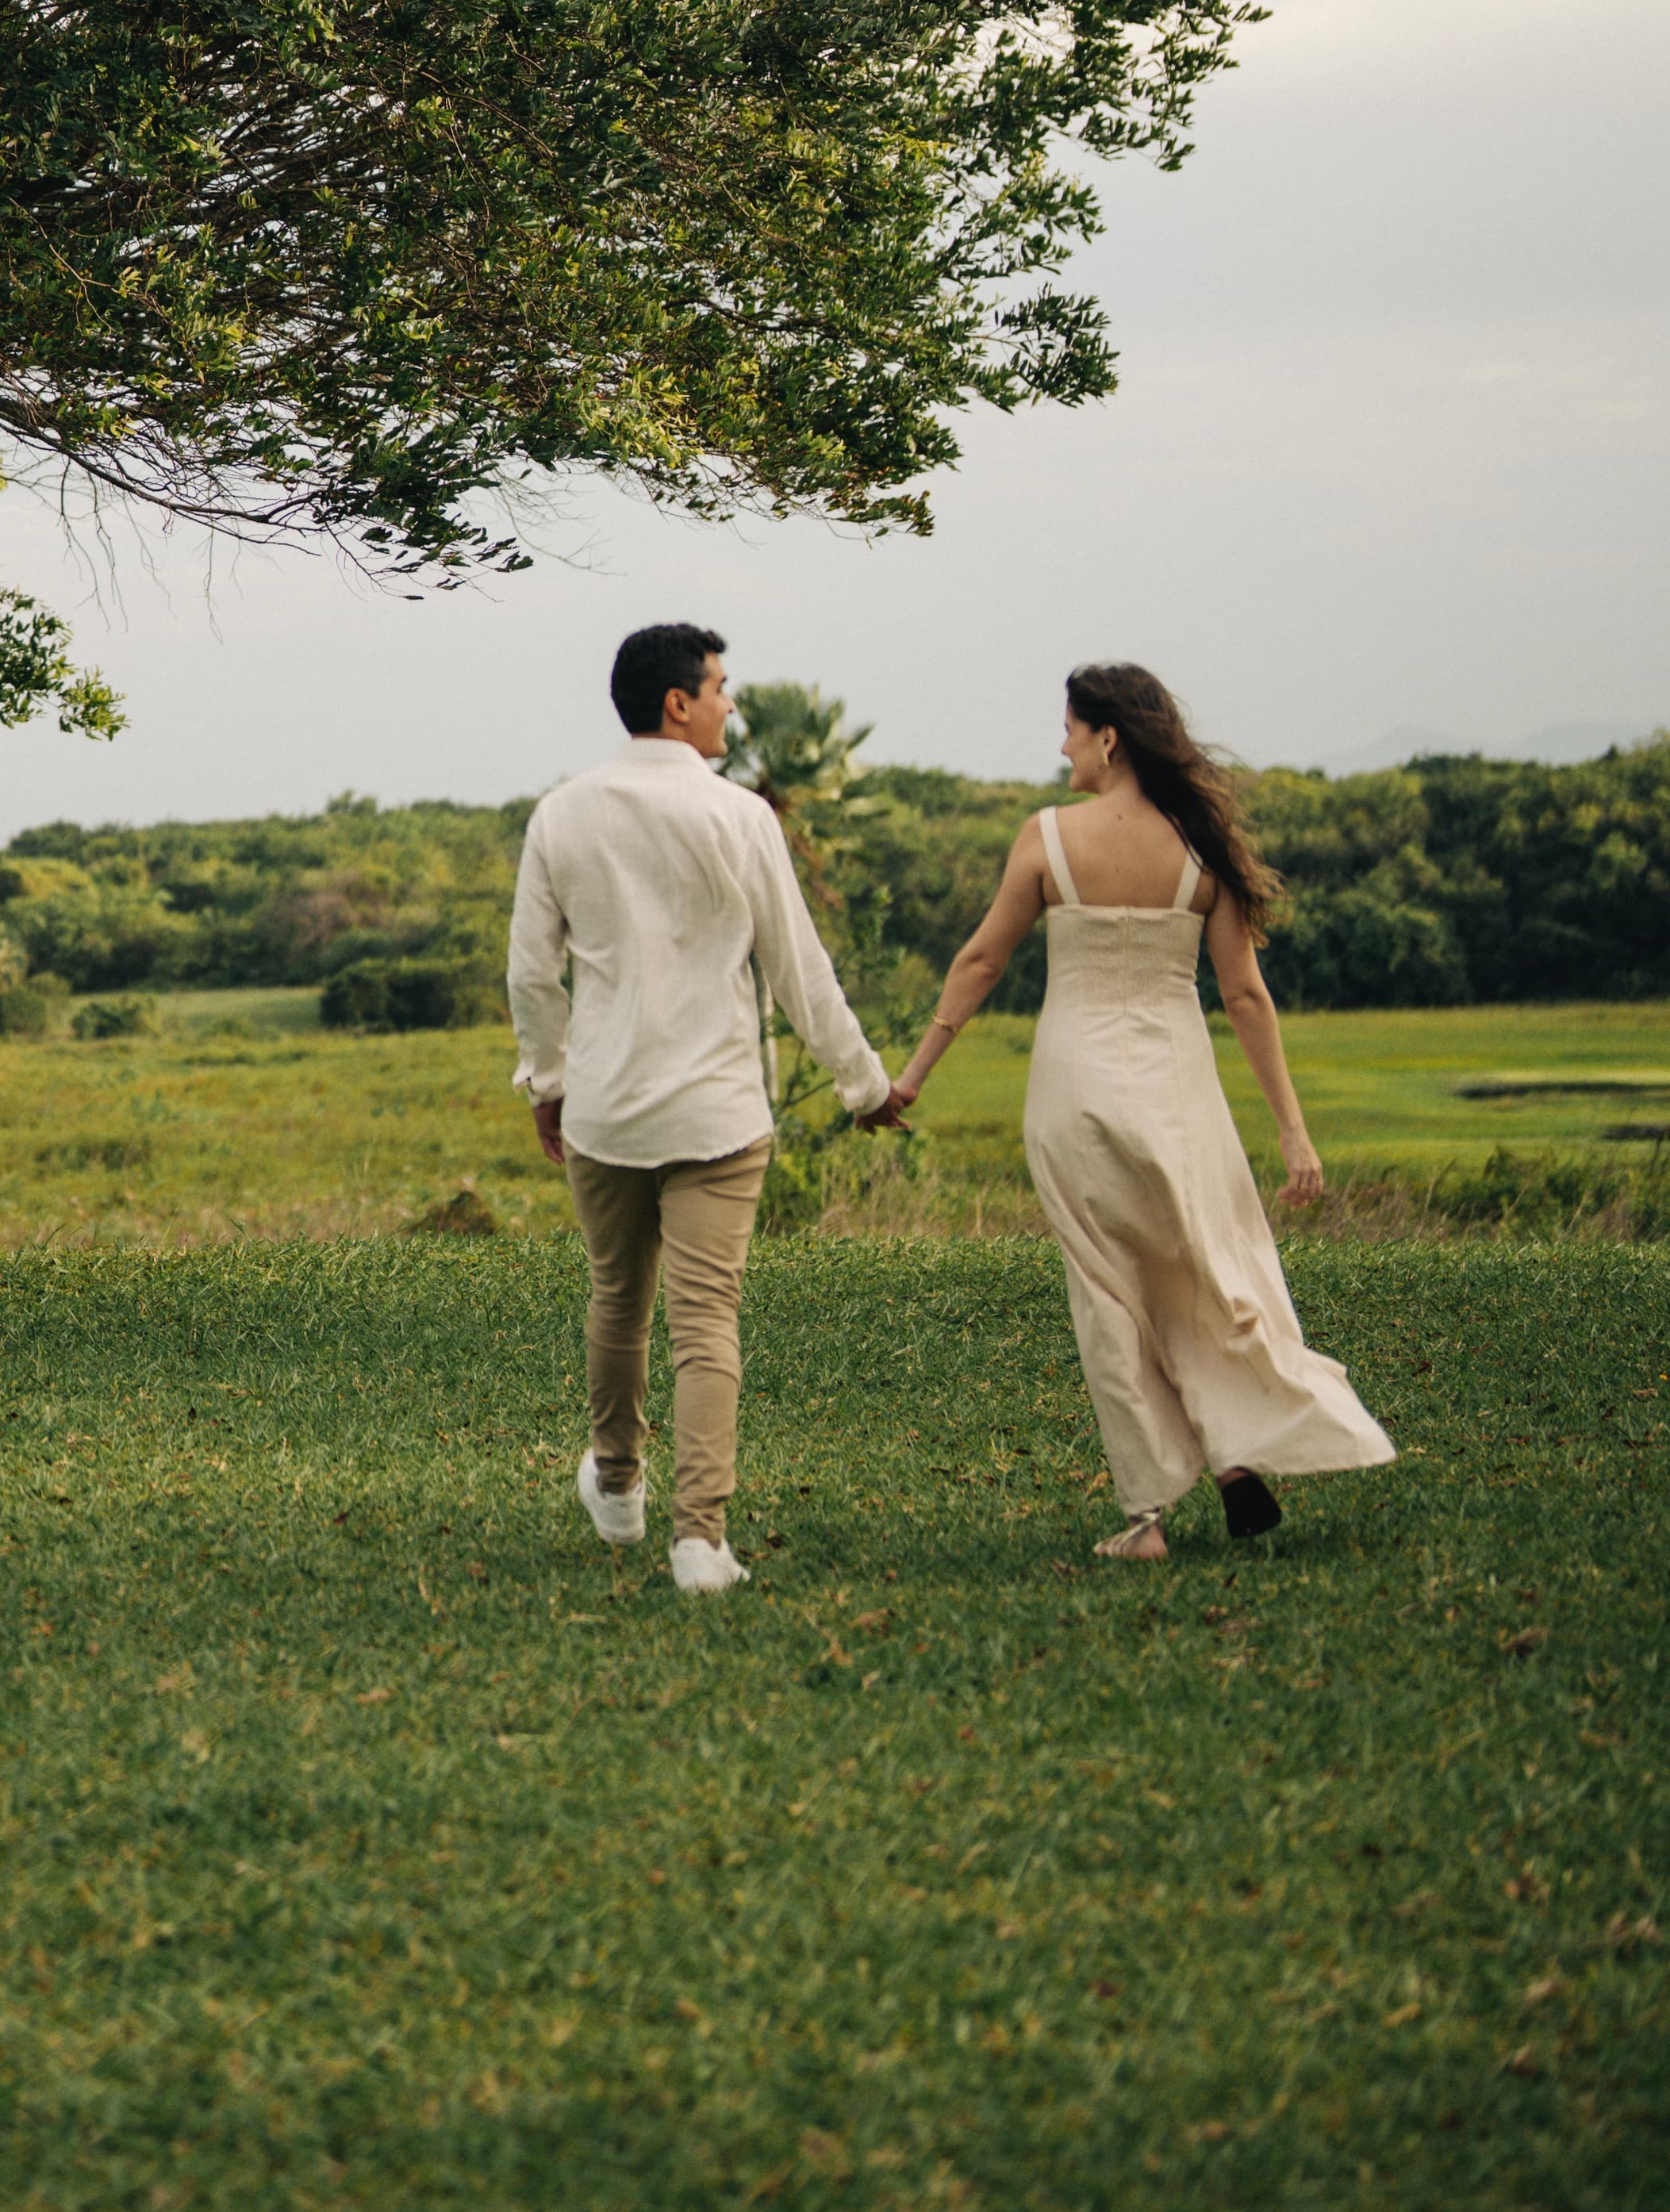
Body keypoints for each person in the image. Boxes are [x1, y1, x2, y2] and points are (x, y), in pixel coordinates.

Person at [887, 661, 1394, 1561]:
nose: (1062, 746)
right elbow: (1245, 996)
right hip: (1177, 1091)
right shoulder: (1204, 847)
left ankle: (1149, 1516)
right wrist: (1292, 1129)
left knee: (1110, 1290)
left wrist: (915, 1076)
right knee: (1204, 1271)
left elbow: (980, 963)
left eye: (1071, 729)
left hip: (1072, 1091)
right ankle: (1240, 1453)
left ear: (1107, 738)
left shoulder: (1046, 837)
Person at [509, 620, 903, 1594]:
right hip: (719, 1114)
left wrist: (547, 1083)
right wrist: (864, 1085)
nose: (732, 703)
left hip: (605, 1106)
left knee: (617, 1300)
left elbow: (530, 975)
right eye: (721, 686)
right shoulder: (741, 818)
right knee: (706, 1321)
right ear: (677, 703)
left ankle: (617, 1482)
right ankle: (700, 1540)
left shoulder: (561, 813)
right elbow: (799, 972)